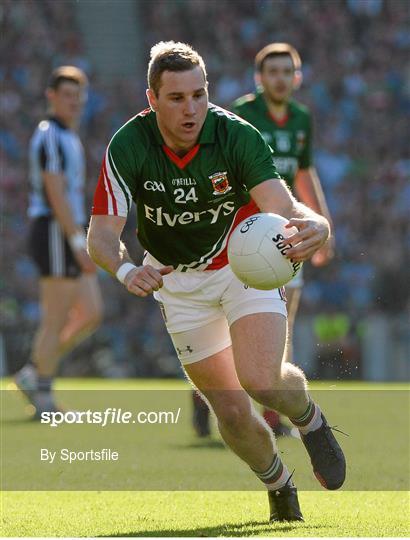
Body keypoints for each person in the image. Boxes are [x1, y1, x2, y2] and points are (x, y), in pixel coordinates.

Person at [88, 41, 345, 523]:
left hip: (242, 268)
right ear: (152, 98)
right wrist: (127, 270)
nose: (191, 109)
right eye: (177, 98)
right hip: (177, 286)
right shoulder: (127, 146)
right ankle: (279, 485)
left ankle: (310, 420)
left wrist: (317, 224)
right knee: (228, 410)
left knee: (261, 379)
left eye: (199, 95)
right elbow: (101, 236)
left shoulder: (235, 135)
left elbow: (281, 204)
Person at [15, 66, 103, 416]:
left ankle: (35, 370)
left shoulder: (68, 135)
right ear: (52, 96)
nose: (74, 101)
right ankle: (44, 397)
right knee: (55, 318)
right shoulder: (49, 133)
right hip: (54, 228)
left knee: (92, 312)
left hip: (67, 229)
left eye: (78, 95)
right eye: (67, 94)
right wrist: (76, 241)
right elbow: (54, 192)